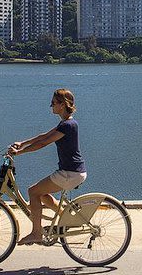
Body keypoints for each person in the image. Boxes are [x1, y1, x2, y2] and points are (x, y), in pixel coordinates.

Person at [8, 88, 87, 245]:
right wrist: (22, 143)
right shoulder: (66, 123)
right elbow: (43, 136)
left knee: (33, 191)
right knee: (42, 195)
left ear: (62, 105)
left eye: (53, 103)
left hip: (70, 173)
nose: (51, 106)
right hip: (72, 171)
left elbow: (44, 143)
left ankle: (36, 233)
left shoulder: (68, 125)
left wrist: (19, 153)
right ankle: (67, 216)